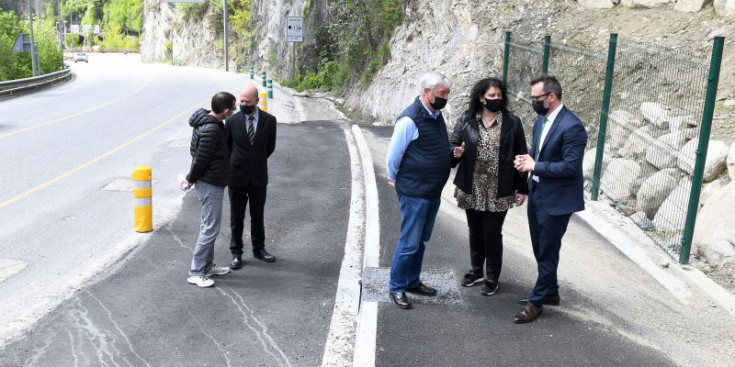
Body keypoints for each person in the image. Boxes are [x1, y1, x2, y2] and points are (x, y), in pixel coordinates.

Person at [513, 75, 588, 323]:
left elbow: (570, 167)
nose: (533, 102)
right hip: (537, 194)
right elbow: (534, 155)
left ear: (552, 97)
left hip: (558, 200)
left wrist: (536, 165)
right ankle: (551, 291)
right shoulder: (540, 122)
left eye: (537, 98)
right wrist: (526, 171)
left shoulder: (572, 126)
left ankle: (536, 302)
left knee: (547, 249)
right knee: (539, 246)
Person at [450, 77, 528, 296]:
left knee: (492, 233)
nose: (496, 99)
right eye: (491, 96)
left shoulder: (512, 122)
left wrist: (522, 188)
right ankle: (477, 271)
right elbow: (453, 144)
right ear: (481, 98)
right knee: (475, 231)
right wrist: (455, 153)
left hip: (499, 189)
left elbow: (522, 155)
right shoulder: (467, 119)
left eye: (499, 96)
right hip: (471, 187)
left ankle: (492, 276)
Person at [385, 71, 453, 310]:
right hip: (414, 192)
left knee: (421, 241)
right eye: (441, 93)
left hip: (431, 191)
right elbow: (394, 156)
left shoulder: (435, 115)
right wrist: (395, 178)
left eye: (447, 93)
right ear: (426, 92)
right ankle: (396, 286)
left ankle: (412, 281)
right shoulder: (409, 120)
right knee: (409, 241)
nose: (445, 98)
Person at [182, 92, 237, 288]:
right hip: (210, 183)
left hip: (211, 181)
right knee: (210, 229)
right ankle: (196, 273)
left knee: (209, 226)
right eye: (233, 108)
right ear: (226, 110)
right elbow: (200, 159)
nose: (234, 111)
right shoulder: (212, 129)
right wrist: (190, 179)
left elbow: (195, 151)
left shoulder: (207, 123)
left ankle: (207, 266)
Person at [226, 84, 278, 269]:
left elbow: (269, 148)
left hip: (258, 177)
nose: (243, 104)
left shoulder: (270, 121)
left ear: (256, 101)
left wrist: (255, 160)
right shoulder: (231, 121)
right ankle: (236, 253)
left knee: (258, 215)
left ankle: (259, 249)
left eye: (247, 101)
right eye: (241, 100)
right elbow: (227, 146)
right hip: (236, 177)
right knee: (236, 217)